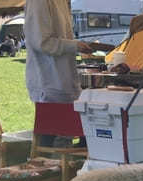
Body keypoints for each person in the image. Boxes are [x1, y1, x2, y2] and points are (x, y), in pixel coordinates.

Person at [24, 0, 93, 146]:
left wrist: (75, 45)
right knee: (49, 143)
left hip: (63, 81)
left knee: (78, 136)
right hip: (48, 81)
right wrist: (75, 45)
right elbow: (42, 42)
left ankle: (70, 163)